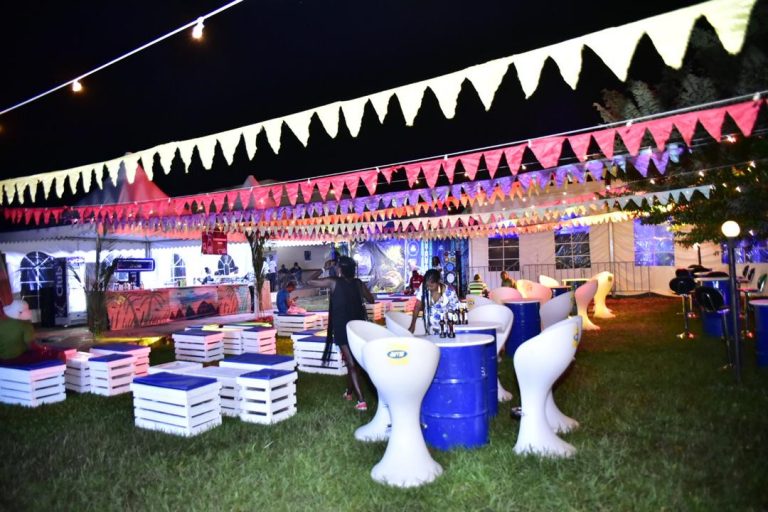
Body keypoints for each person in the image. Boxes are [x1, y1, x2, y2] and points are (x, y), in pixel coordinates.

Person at [307, 256, 375, 411]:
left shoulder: (334, 282)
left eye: (337, 266)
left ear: (340, 269)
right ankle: (349, 393)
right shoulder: (358, 283)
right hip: (357, 327)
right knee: (353, 363)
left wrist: (324, 268)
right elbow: (371, 300)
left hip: (342, 328)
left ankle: (361, 401)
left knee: (352, 363)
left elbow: (309, 281)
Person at [409, 269, 460, 335]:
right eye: (427, 285)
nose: (429, 288)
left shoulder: (450, 292)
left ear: (438, 281)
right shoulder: (423, 287)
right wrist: (413, 325)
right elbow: (417, 306)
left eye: (431, 286)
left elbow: (456, 311)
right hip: (429, 330)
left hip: (446, 331)